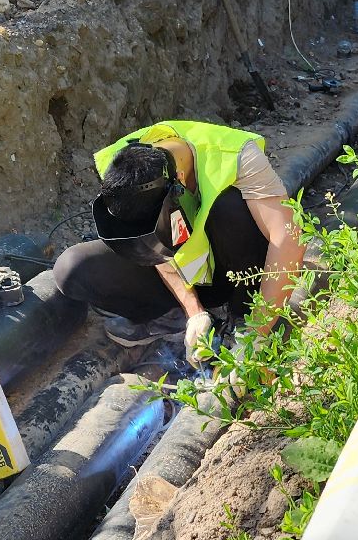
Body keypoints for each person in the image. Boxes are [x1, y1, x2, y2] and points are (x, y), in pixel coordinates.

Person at [53, 120, 304, 364]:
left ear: (180, 179)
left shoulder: (235, 155)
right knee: (73, 267)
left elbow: (288, 239)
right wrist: (194, 312)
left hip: (234, 274)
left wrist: (258, 331)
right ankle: (171, 318)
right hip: (184, 276)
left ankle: (241, 317)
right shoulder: (120, 168)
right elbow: (150, 249)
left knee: (230, 204)